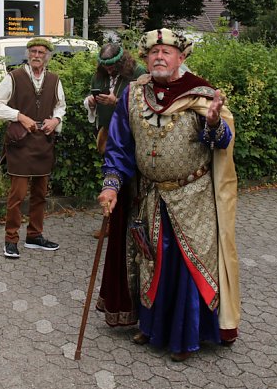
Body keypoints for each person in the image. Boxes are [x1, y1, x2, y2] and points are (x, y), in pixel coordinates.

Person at [96, 28, 240, 362]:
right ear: (146, 59)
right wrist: (111, 185)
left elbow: (221, 142)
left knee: (185, 264)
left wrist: (215, 123)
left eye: (167, 52)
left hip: (193, 197)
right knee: (151, 261)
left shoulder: (200, 94)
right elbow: (119, 146)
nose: (159, 57)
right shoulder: (133, 95)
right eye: (153, 52)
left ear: (181, 57)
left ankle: (185, 339)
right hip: (150, 196)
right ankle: (152, 327)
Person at [0, 37, 66, 259]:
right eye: (33, 51)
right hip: (21, 144)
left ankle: (34, 236)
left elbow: (61, 106)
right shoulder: (14, 77)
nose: (37, 55)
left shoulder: (54, 79)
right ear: (28, 54)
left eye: (41, 52)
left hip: (44, 143)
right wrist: (19, 116)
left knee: (40, 194)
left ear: (47, 56)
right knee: (17, 196)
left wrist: (56, 120)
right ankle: (10, 239)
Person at [84, 42, 147, 238]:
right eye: (105, 65)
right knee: (111, 180)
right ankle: (112, 224)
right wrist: (91, 102)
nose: (108, 69)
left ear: (122, 60)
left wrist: (117, 102)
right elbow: (90, 98)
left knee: (134, 182)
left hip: (133, 137)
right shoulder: (100, 75)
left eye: (111, 65)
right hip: (109, 135)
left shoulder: (138, 73)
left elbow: (146, 105)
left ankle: (138, 223)